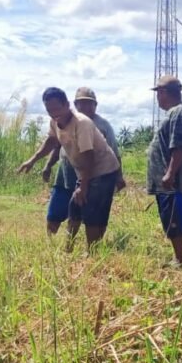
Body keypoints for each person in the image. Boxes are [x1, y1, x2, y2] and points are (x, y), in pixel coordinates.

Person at [17, 86, 122, 249]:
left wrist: (83, 186)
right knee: (75, 206)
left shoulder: (82, 123)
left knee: (92, 212)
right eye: (49, 109)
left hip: (103, 170)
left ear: (66, 105)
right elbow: (52, 141)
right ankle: (68, 247)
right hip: (84, 171)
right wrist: (32, 160)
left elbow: (89, 156)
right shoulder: (55, 121)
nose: (53, 113)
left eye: (57, 108)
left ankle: (91, 253)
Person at [147, 75, 182, 268]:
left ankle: (180, 260)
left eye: (158, 93)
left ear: (164, 92)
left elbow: (180, 147)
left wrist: (169, 173)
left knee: (175, 219)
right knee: (170, 218)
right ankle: (178, 258)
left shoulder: (180, 114)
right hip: (167, 181)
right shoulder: (174, 113)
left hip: (173, 181)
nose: (157, 97)